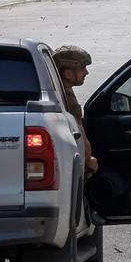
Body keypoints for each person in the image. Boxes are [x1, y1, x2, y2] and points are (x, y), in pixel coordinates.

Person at [51, 44, 99, 175]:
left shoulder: (61, 90)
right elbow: (78, 131)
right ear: (67, 73)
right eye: (82, 68)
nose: (86, 72)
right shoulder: (65, 96)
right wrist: (88, 159)